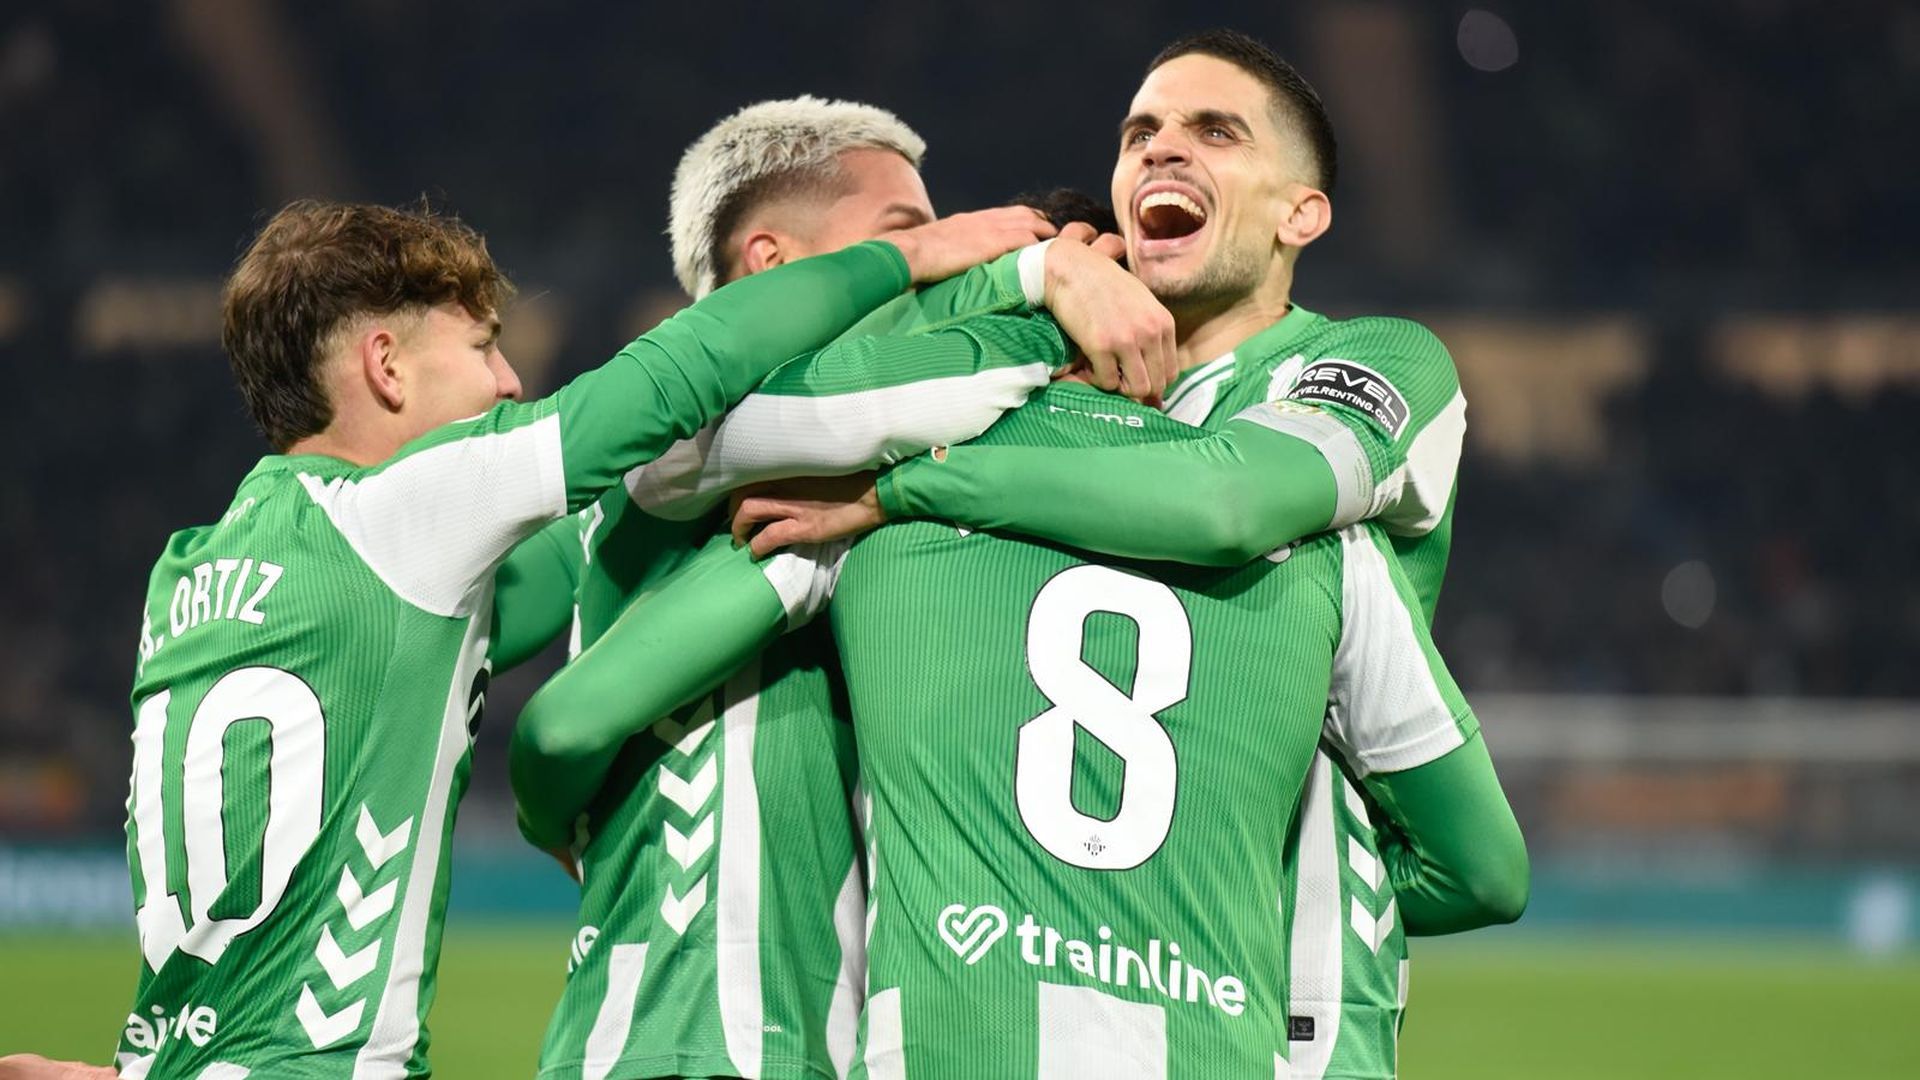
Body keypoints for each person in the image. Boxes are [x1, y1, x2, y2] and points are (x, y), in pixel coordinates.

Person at [111, 195, 1047, 1078]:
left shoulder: (185, 577)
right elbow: (675, 377)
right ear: (386, 365)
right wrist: (917, 256)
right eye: (483, 347)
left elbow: (576, 552)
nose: (509, 381)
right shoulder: (403, 516)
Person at [732, 30, 1473, 1076]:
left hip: (1298, 1017)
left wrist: (906, 486)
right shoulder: (1052, 392)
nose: (1162, 149)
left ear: (1301, 212)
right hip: (1084, 968)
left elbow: (1229, 499)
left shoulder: (1373, 361)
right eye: (1140, 134)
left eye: (1216, 132)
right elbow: (750, 400)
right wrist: (1029, 280)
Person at [511, 370, 1527, 1076]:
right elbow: (1485, 873)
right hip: (1214, 1046)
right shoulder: (1325, 547)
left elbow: (573, 718)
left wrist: (557, 821)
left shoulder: (866, 504)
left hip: (949, 1046)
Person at [505, 99, 1167, 1080]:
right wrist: (1044, 298)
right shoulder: (691, 443)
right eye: (908, 235)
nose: (947, 259)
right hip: (695, 1042)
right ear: (772, 263)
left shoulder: (881, 492)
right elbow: (558, 728)